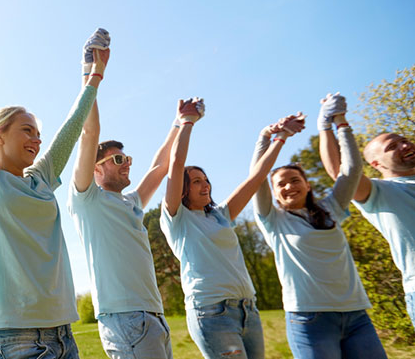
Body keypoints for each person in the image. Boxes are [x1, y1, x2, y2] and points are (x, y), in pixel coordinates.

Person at [0, 0, 108, 357]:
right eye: (27, 130)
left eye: (38, 132)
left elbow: (73, 129)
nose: (37, 139)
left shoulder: (40, 180)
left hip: (63, 333)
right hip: (14, 337)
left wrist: (94, 78)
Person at [160, 99, 303, 359]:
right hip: (212, 312)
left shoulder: (220, 215)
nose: (205, 186)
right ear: (182, 189)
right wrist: (187, 123)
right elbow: (176, 164)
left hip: (248, 308)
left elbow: (256, 177)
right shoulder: (177, 218)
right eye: (196, 182)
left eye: (206, 180)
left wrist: (280, 137)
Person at [252, 94, 387, 358]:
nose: (289, 186)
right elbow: (256, 178)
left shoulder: (331, 207)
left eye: (294, 179)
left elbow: (351, 170)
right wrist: (266, 137)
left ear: (307, 183)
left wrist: (341, 122)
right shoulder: (273, 220)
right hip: (309, 319)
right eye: (281, 184)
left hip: (356, 314)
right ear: (274, 193)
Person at [67, 63, 178, 358]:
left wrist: (179, 123)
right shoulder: (87, 199)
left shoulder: (131, 202)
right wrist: (91, 73)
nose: (127, 163)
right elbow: (90, 133)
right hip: (125, 319)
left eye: (126, 158)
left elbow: (159, 167)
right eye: (118, 159)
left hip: (154, 315)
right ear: (95, 169)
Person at [318, 93, 415, 329]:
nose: (405, 145)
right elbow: (342, 173)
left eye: (404, 140)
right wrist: (330, 125)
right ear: (376, 164)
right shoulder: (381, 193)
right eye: (392, 146)